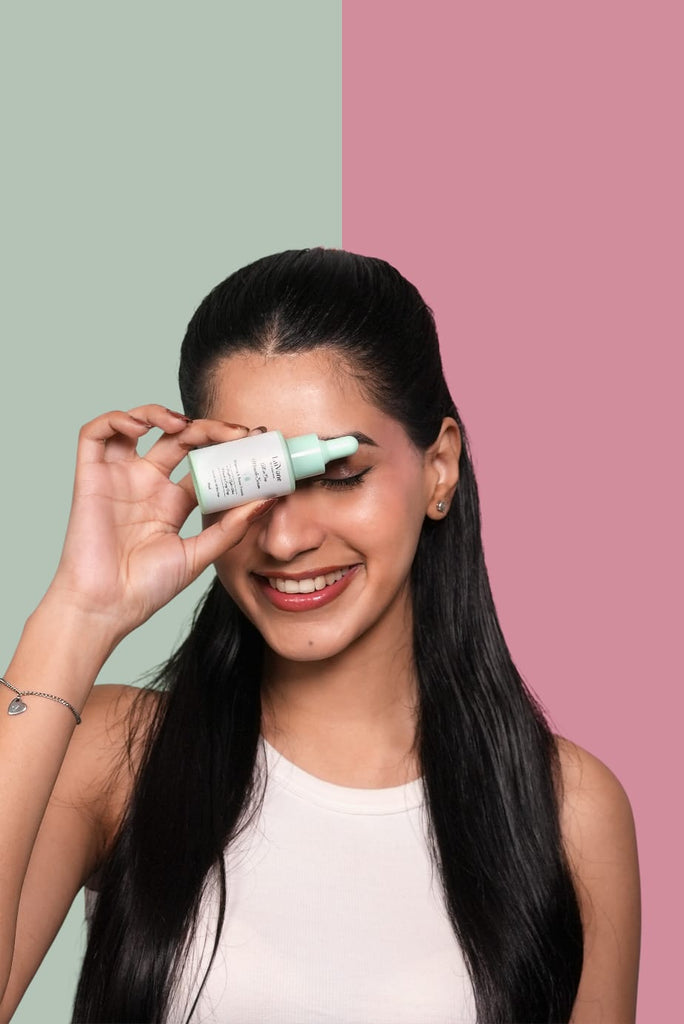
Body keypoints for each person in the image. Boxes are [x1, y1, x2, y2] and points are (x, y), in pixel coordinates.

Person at [0, 249, 640, 1024]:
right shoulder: (115, 755)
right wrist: (79, 612)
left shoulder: (569, 810)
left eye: (339, 476)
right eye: (249, 479)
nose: (285, 539)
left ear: (439, 468)